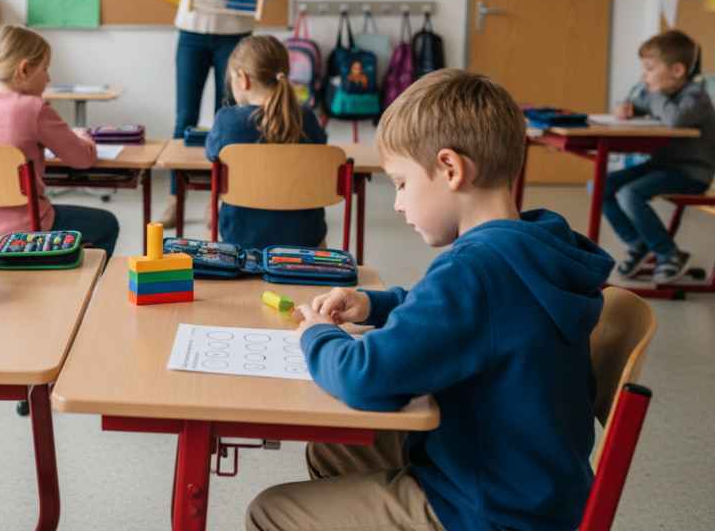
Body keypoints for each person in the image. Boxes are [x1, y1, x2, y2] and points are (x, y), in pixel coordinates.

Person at [246, 69, 614, 531]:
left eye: (401, 183)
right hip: (531, 488)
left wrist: (316, 335)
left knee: (269, 512)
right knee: (335, 448)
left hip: (487, 510)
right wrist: (375, 305)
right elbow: (468, 319)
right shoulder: (530, 246)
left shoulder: (474, 271)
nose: (398, 203)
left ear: (451, 169)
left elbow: (365, 377)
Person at [0, 24, 119, 261]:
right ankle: (71, 277)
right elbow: (82, 159)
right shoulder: (33, 108)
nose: (48, 78)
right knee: (108, 224)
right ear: (25, 69)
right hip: (25, 233)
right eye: (45, 69)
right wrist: (83, 136)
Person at [158, 0, 264, 227]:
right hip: (191, 33)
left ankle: (220, 200)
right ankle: (176, 198)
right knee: (184, 116)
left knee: (231, 116)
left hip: (234, 34)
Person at [605, 29, 715, 282]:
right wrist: (624, 109)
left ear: (677, 70)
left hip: (691, 173)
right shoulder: (657, 92)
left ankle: (670, 254)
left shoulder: (694, 96)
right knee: (600, 185)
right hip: (660, 167)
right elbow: (635, 104)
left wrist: (655, 94)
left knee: (630, 194)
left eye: (650, 68)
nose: (643, 75)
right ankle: (638, 243)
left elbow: (676, 118)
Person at [205, 34, 328, 249]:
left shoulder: (226, 121)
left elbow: (211, 155)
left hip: (241, 237)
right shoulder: (307, 118)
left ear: (243, 79)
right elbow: (322, 149)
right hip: (305, 237)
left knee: (211, 206)